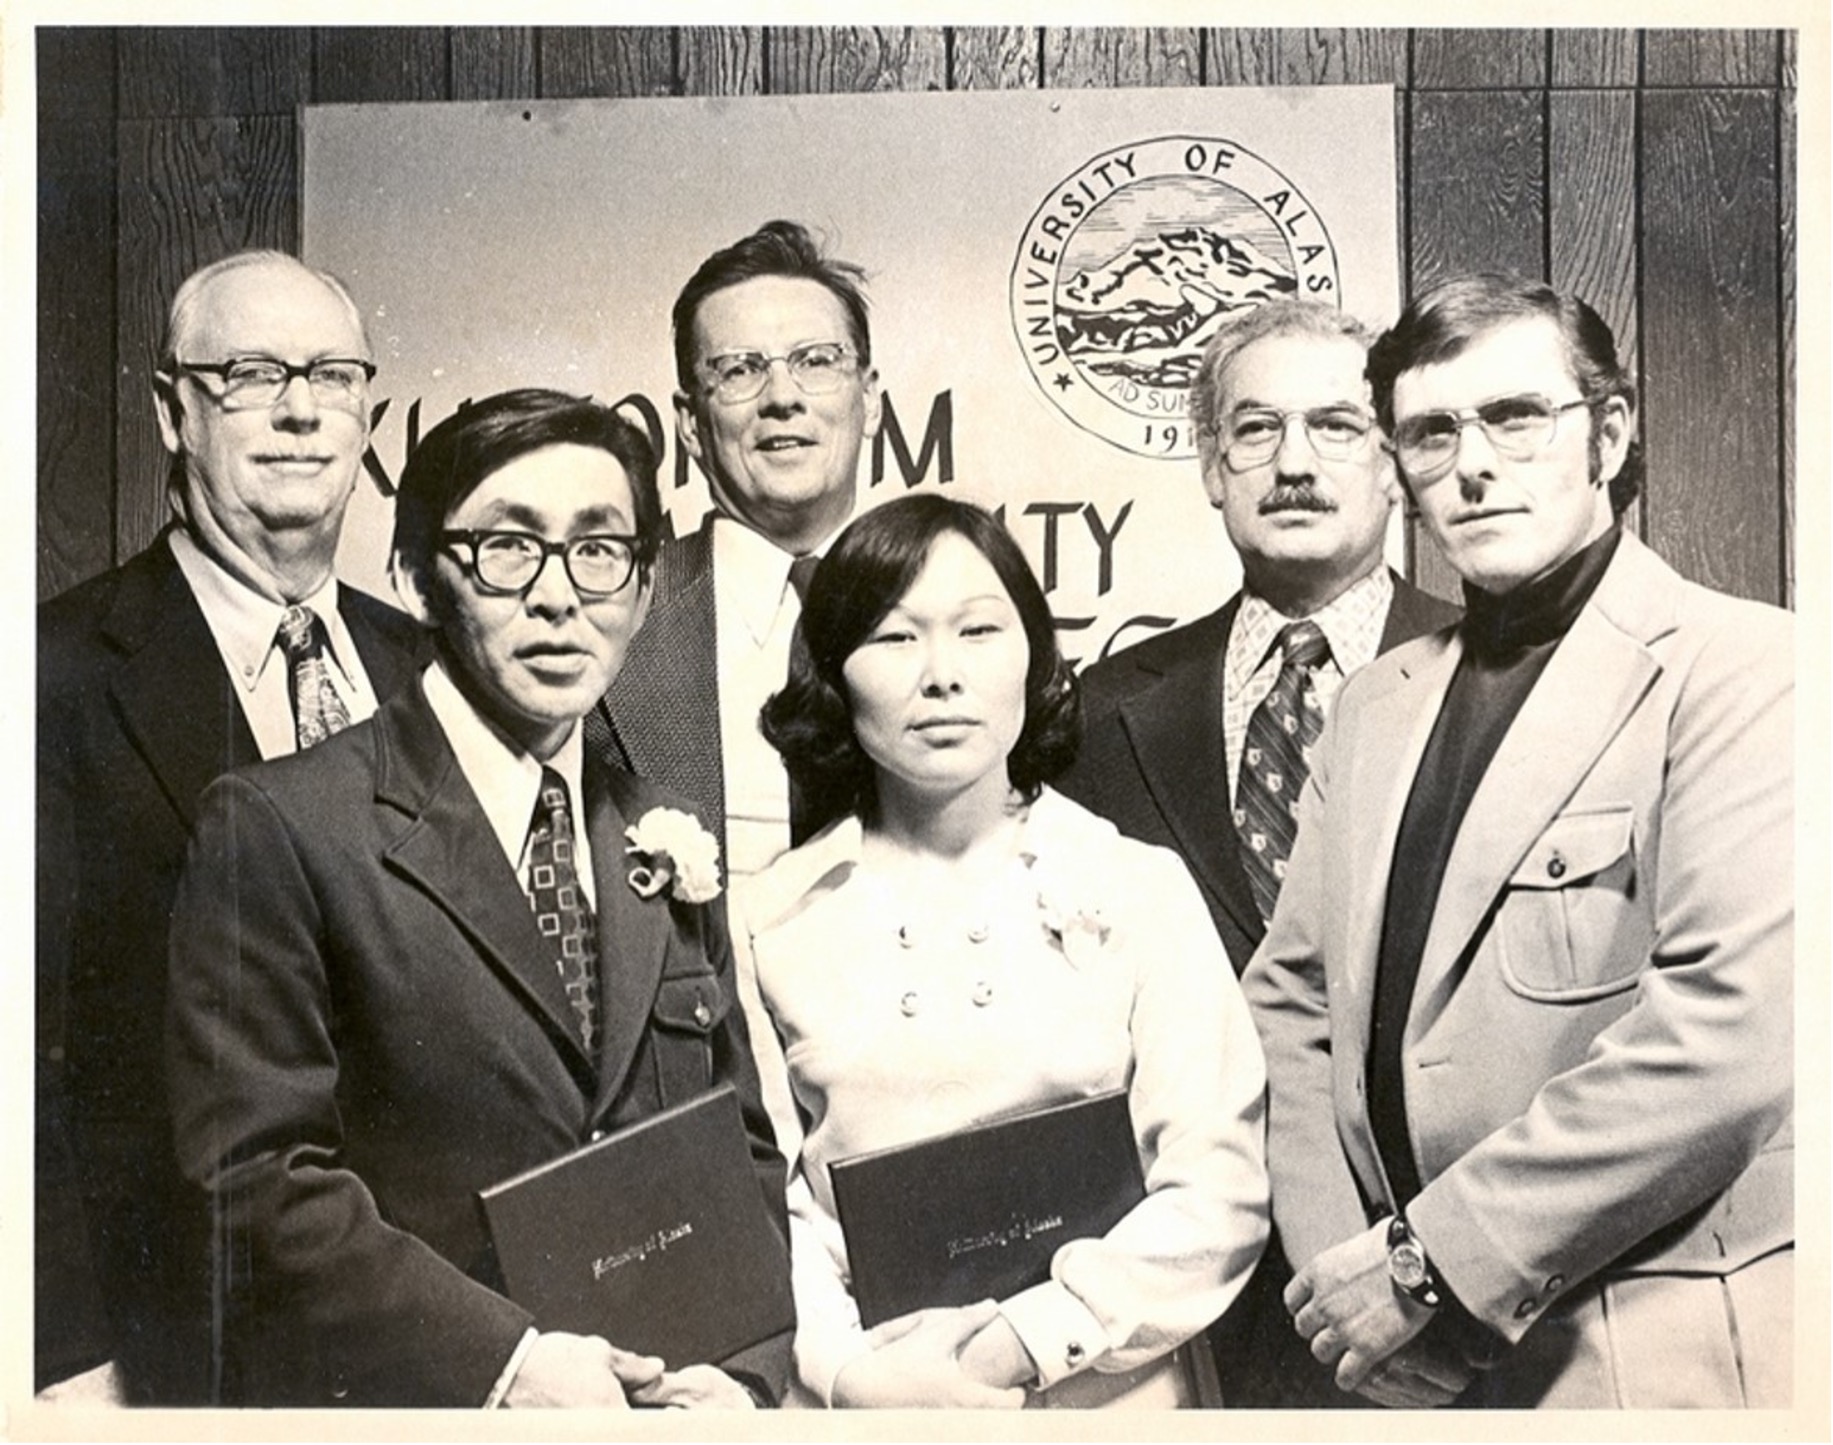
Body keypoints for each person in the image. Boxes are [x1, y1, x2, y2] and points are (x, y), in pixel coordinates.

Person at [165, 389, 791, 1407]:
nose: (559, 596)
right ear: (417, 577)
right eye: (508, 548)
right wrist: (505, 1365)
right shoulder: (281, 825)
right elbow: (256, 1175)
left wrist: (742, 1374)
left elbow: (742, 1141)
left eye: (601, 550)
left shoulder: (661, 822)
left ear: (643, 590)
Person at [1244, 273, 1793, 1408]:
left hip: (1650, 1346)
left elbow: (1728, 1037)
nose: (1474, 464)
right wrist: (1352, 1285)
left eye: (1515, 416)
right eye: (1431, 432)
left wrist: (1428, 1266)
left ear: (1610, 432)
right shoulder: (1375, 704)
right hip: (1409, 1363)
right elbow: (1289, 1004)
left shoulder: (1750, 669)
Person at [733, 494, 1269, 1408]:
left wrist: (1015, 1346)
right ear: (832, 671)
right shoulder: (769, 917)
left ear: (1032, 655)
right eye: (894, 638)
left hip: (1111, 1395)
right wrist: (856, 1375)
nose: (941, 676)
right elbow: (770, 1208)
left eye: (978, 630)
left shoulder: (1138, 884)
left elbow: (1219, 1188)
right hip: (868, 1403)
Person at [1056, 297, 1459, 1408]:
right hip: (1185, 1294)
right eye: (1255, 429)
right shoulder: (1103, 711)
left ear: (1393, 463)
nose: (1293, 463)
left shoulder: (1490, 675)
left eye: (1335, 426)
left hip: (1431, 1280)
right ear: (1210, 468)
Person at [35, 250, 421, 1401]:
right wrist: (59, 1353)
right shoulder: (49, 678)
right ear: (173, 411)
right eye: (252, 375)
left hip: (436, 1333)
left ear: (367, 415)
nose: (301, 410)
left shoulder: (430, 667)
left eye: (332, 375)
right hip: (176, 1347)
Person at [588, 220, 882, 881]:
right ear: (691, 424)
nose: (782, 398)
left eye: (816, 361)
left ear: (869, 396)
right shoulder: (605, 615)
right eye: (740, 370)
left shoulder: (954, 607)